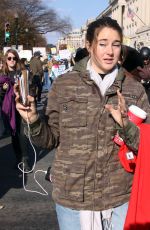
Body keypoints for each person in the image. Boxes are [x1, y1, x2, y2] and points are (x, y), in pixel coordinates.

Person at [15, 17, 150, 230]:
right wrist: (32, 119)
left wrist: (125, 124)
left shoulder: (134, 90)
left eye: (116, 44)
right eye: (103, 43)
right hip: (73, 197)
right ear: (89, 45)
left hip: (120, 197)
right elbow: (49, 139)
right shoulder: (64, 85)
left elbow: (146, 147)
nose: (110, 51)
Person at [0, 49, 31, 171]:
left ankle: (25, 160)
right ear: (6, 60)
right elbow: (1, 95)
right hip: (9, 109)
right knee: (14, 135)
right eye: (9, 58)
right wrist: (3, 89)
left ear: (17, 59)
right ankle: (18, 159)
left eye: (14, 58)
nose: (12, 60)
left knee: (23, 134)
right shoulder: (3, 76)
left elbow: (30, 87)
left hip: (22, 106)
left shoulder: (23, 72)